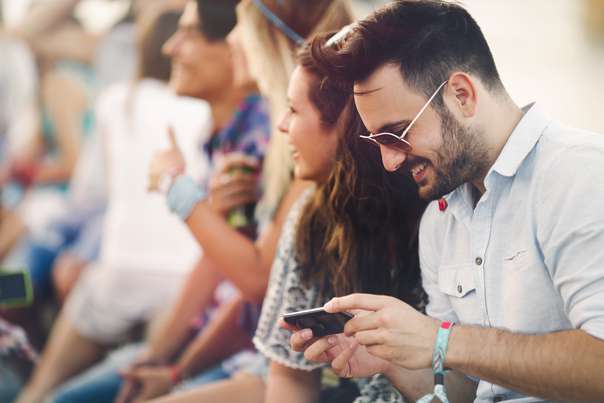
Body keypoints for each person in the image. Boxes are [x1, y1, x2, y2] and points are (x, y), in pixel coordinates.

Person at [290, 1, 604, 402]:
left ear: (462, 94)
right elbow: (467, 389)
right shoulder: (440, 220)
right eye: (377, 141)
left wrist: (442, 340)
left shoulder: (581, 176)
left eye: (397, 134)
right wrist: (391, 358)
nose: (389, 161)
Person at [15, 7, 217, 403]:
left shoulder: (115, 101)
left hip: (118, 270)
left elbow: (89, 193)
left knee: (44, 385)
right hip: (182, 281)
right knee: (145, 389)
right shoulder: (208, 112)